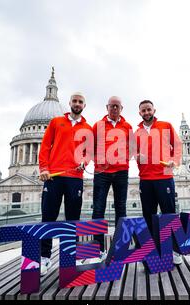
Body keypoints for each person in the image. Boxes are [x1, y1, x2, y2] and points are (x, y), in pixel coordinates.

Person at [38, 92, 93, 275]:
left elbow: (89, 152)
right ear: (69, 103)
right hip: (53, 176)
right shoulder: (56, 122)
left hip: (75, 178)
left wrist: (84, 162)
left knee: (72, 219)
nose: (77, 104)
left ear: (84, 105)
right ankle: (44, 258)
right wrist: (44, 169)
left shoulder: (88, 128)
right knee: (48, 217)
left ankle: (70, 258)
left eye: (80, 102)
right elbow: (45, 146)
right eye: (75, 101)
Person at [134, 99, 183, 265]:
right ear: (139, 113)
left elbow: (177, 146)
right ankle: (151, 251)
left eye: (149, 109)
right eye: (143, 110)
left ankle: (174, 251)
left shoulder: (166, 125)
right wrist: (137, 156)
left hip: (165, 177)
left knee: (169, 214)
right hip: (145, 179)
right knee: (149, 216)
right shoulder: (137, 132)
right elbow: (133, 152)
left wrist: (174, 161)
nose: (146, 112)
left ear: (154, 110)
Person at [91, 96, 134, 260]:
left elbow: (133, 147)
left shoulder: (127, 126)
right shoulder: (98, 126)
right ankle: (97, 250)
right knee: (98, 209)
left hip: (121, 172)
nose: (114, 109)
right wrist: (99, 160)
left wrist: (124, 157)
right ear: (106, 107)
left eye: (117, 106)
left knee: (121, 209)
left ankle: (119, 248)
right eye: (111, 106)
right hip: (101, 173)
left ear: (121, 108)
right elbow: (90, 146)